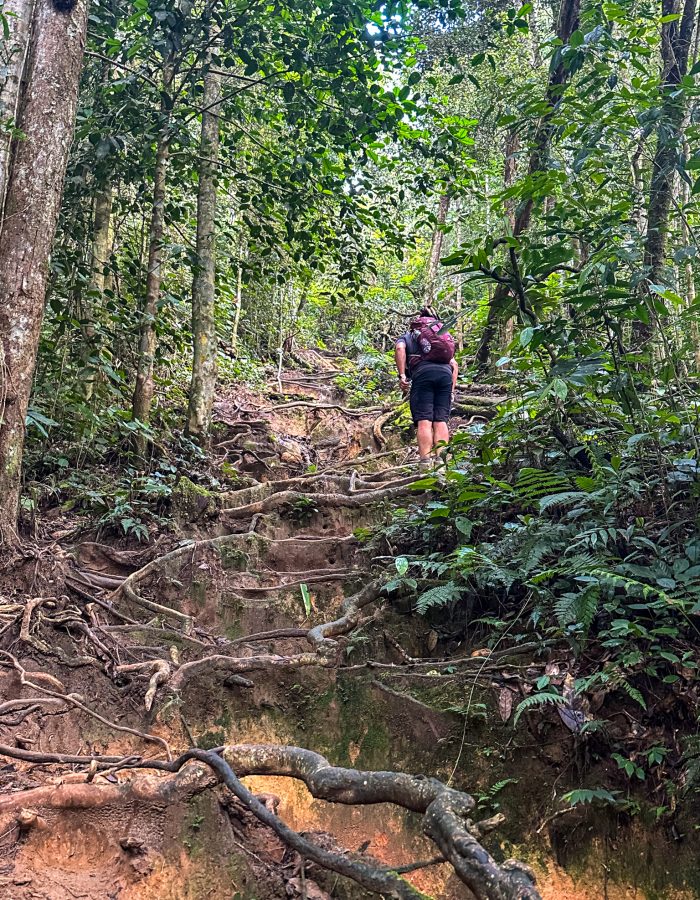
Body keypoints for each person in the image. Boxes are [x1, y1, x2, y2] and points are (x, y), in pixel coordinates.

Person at [395, 307, 458, 466]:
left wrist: (402, 375)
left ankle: (425, 464)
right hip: (445, 375)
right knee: (441, 420)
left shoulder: (411, 334)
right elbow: (454, 364)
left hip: (423, 374)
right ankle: (441, 464)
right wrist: (451, 390)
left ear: (419, 319)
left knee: (424, 420)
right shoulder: (441, 334)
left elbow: (400, 348)